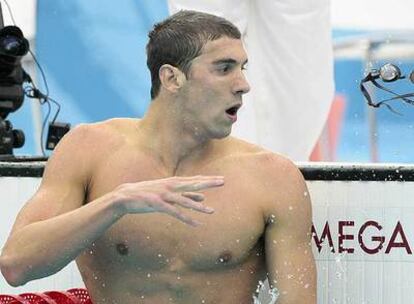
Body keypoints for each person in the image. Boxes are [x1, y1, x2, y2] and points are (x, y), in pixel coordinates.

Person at [0, 10, 316, 304]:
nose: (243, 85)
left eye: (242, 68)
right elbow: (16, 266)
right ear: (171, 78)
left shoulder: (273, 178)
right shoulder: (89, 149)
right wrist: (116, 202)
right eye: (224, 68)